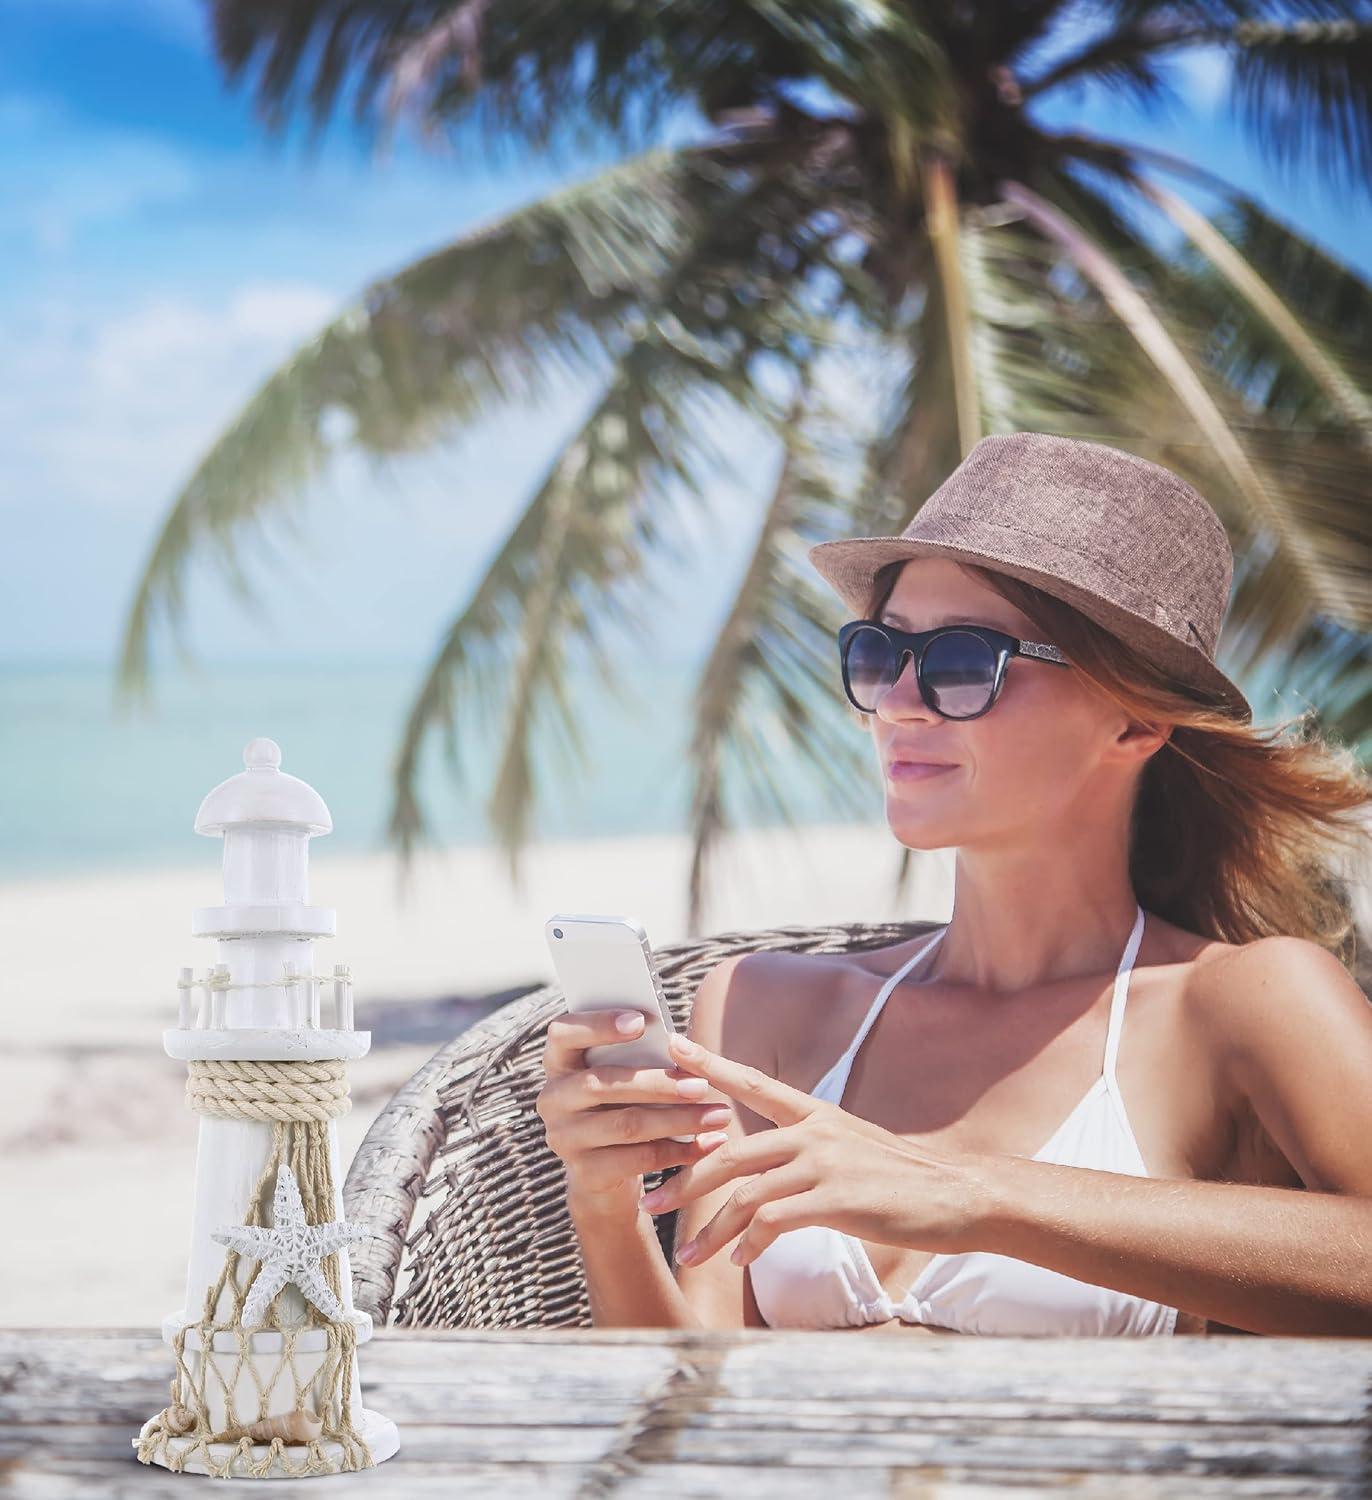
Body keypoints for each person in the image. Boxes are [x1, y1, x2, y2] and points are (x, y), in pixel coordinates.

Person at [536, 431, 1372, 1335]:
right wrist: (603, 1200)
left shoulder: (1241, 1002)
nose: (897, 701)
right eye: (878, 654)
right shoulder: (765, 1009)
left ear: (1134, 722)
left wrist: (977, 1196)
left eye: (965, 663)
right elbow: (696, 1391)